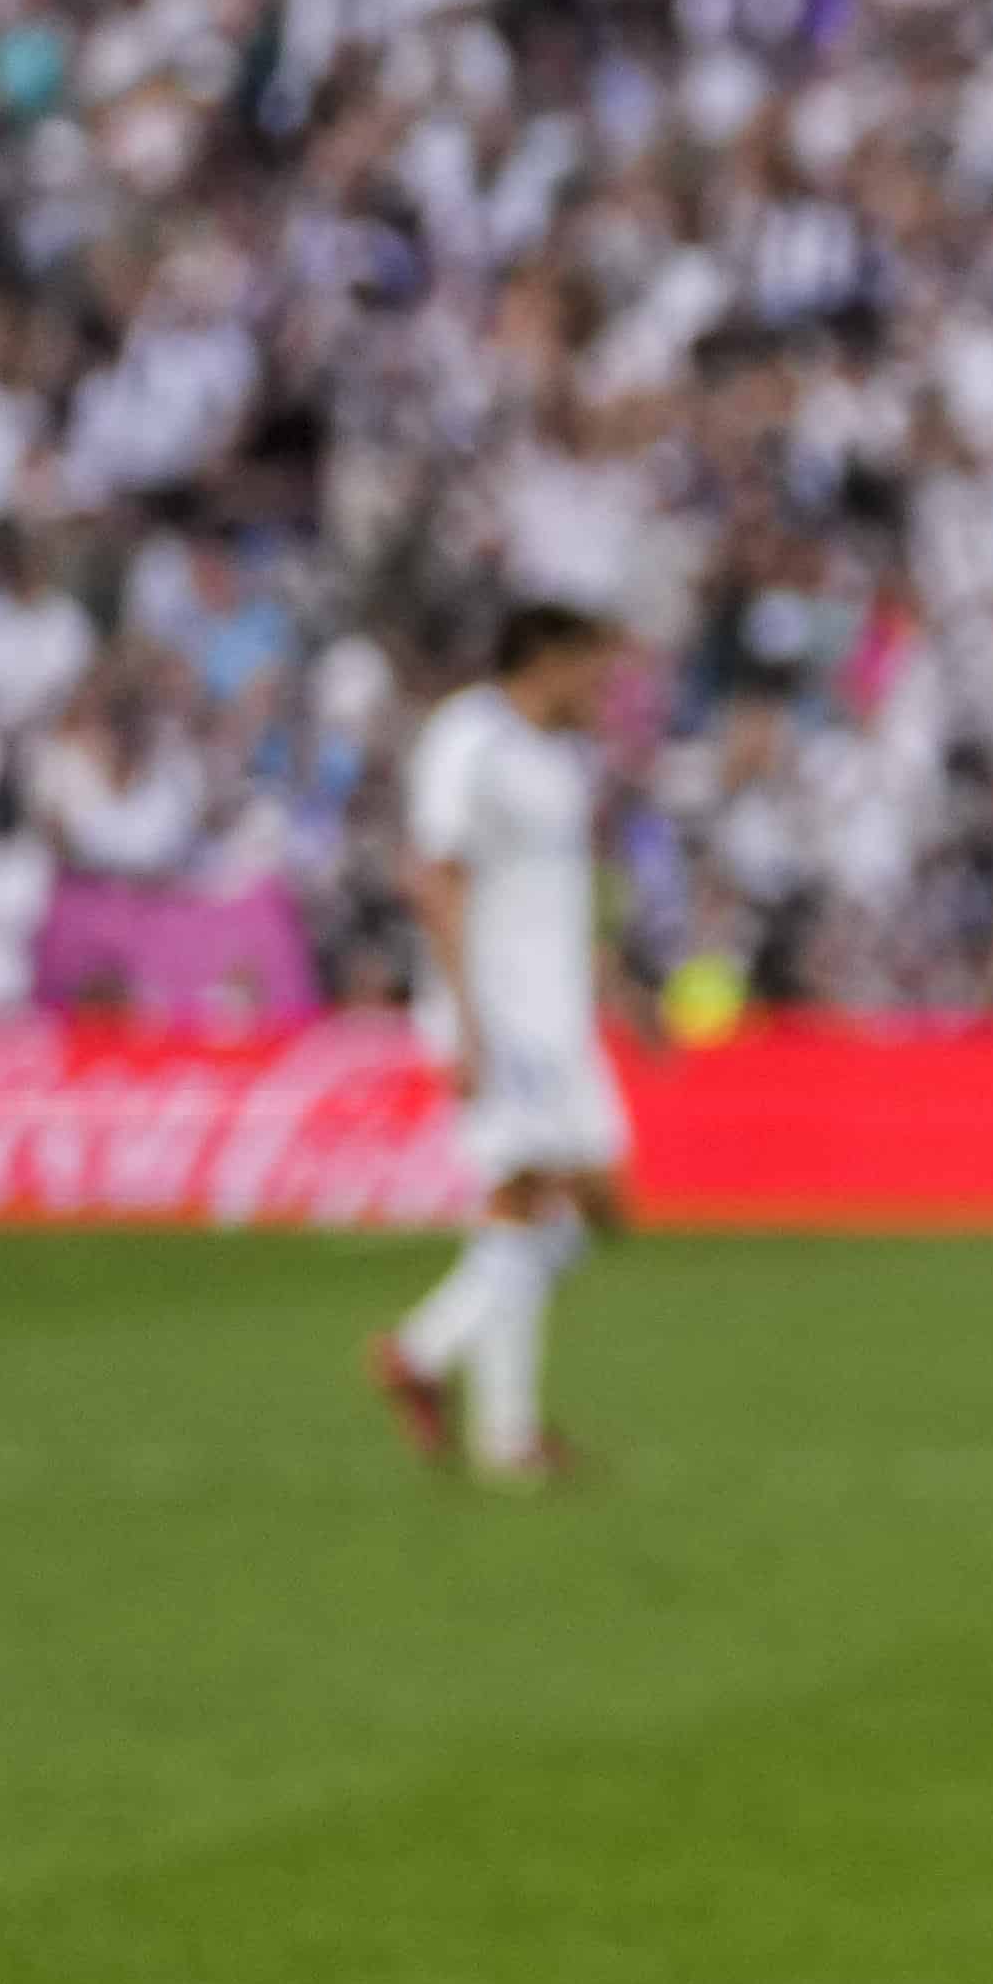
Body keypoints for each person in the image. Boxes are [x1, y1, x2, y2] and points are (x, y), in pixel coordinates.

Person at [371, 602, 628, 1489]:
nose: (606, 690)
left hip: (559, 1017)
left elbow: (554, 896)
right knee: (522, 1199)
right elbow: (432, 874)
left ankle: (423, 1349)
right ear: (547, 659)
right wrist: (468, 1019)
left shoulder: (563, 760)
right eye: (595, 670)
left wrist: (612, 985)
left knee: (597, 1206)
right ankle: (506, 1438)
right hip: (500, 1015)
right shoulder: (466, 738)